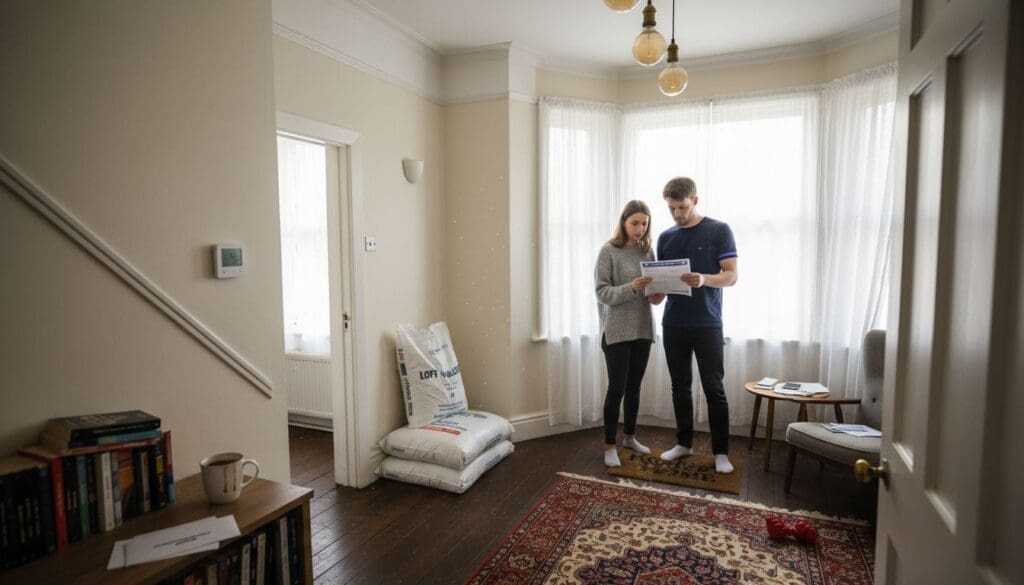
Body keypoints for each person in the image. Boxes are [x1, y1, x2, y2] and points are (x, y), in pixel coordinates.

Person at [655, 177, 738, 474]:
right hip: (673, 323)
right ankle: (684, 444)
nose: (677, 214)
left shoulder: (719, 230)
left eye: (682, 207)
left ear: (695, 200)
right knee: (680, 387)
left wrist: (704, 279)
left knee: (714, 388)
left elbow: (731, 276)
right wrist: (653, 293)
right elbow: (659, 292)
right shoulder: (665, 238)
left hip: (708, 324)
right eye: (671, 208)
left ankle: (721, 452)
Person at [594, 200, 663, 467]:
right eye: (635, 223)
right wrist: (630, 288)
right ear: (624, 221)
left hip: (643, 328)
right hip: (616, 332)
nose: (640, 228)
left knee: (635, 387)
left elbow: (652, 292)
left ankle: (630, 437)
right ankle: (610, 445)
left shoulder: (648, 251)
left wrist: (657, 296)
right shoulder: (608, 251)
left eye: (644, 223)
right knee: (617, 389)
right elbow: (602, 293)